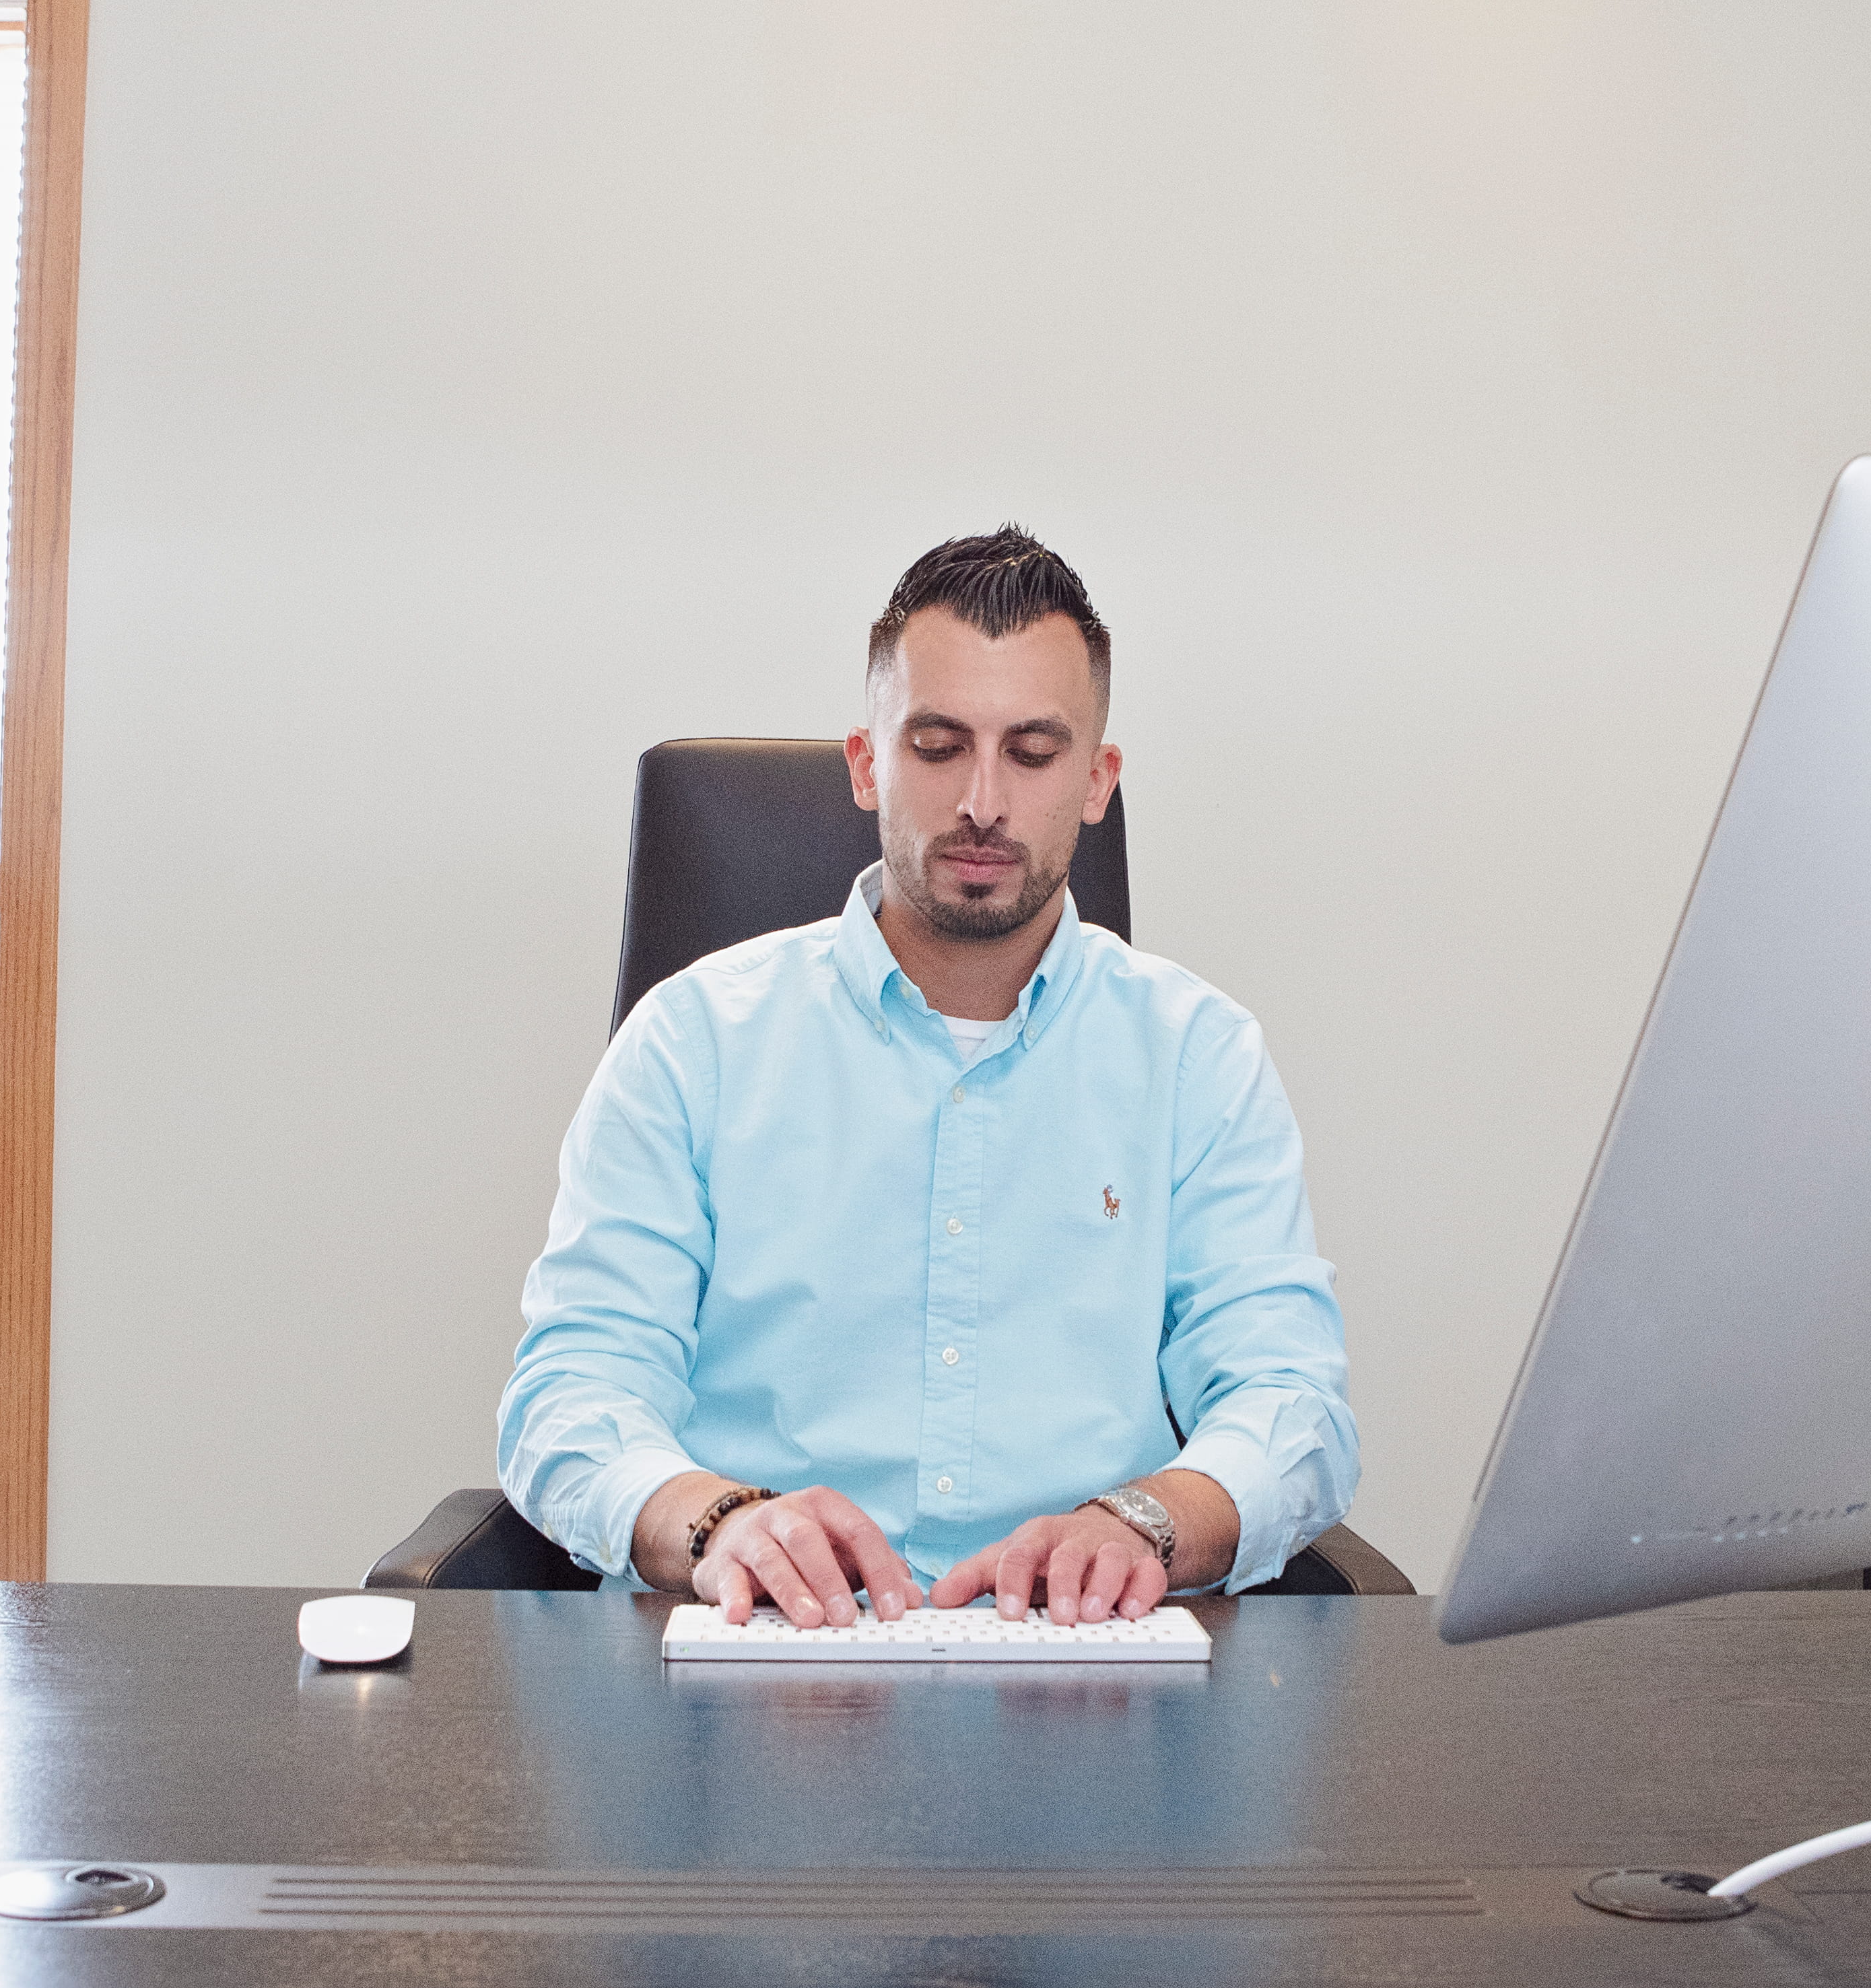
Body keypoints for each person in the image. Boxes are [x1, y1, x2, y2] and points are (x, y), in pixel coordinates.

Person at [496, 528, 1359, 1628]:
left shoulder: (1198, 1056)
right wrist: (715, 1524)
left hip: (1085, 1654)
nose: (983, 802)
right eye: (939, 746)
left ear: (1096, 782)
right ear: (868, 765)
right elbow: (570, 1393)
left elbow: (1290, 1404)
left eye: (1032, 754)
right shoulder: (693, 1040)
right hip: (758, 1644)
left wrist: (1143, 1523)